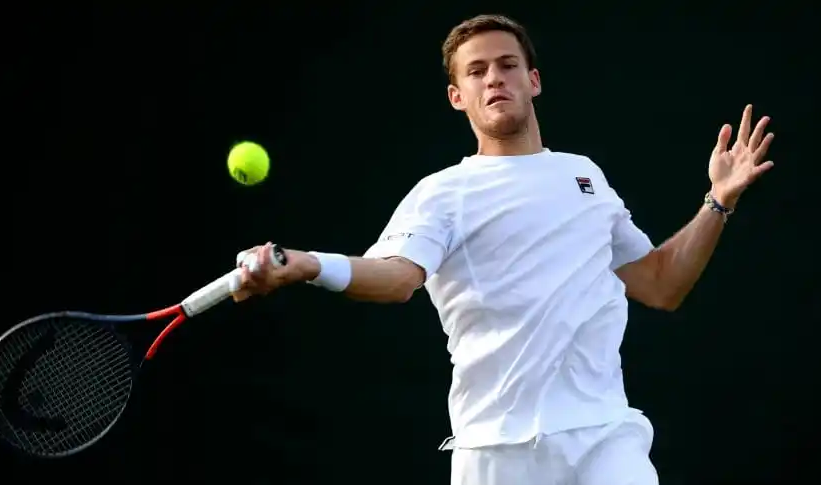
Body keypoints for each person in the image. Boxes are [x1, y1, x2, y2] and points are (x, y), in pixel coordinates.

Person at [230, 14, 774, 485]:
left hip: (603, 434)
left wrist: (717, 200)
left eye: (508, 65)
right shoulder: (441, 193)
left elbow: (660, 284)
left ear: (533, 80)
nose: (495, 78)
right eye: (476, 70)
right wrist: (307, 265)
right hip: (495, 448)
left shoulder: (584, 176)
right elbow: (396, 277)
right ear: (457, 96)